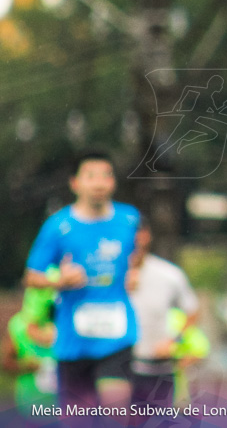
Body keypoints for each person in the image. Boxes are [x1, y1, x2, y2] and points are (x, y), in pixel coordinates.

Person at [23, 149, 140, 410]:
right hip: (72, 341)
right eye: (90, 176)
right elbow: (31, 277)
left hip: (117, 335)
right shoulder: (58, 226)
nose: (99, 183)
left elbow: (139, 253)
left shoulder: (129, 219)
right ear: (75, 183)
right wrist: (59, 281)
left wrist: (135, 272)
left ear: (114, 182)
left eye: (106, 176)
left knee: (116, 413)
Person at [127, 216, 201, 410]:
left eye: (139, 233)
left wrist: (174, 341)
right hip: (118, 367)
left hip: (159, 368)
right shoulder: (105, 274)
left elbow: (192, 311)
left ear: (146, 236)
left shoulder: (168, 274)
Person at [2, 276, 58, 416]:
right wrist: (27, 366)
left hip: (68, 409)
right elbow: (7, 363)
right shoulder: (18, 325)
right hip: (31, 408)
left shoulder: (70, 325)